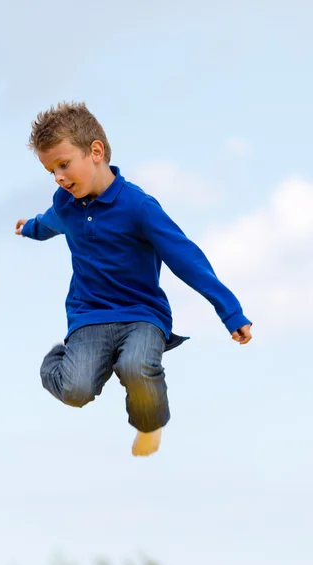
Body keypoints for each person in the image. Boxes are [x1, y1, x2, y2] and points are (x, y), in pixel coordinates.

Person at [15, 101, 252, 457]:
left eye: (64, 165)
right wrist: (29, 229)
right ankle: (62, 359)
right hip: (89, 316)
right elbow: (48, 222)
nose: (59, 177)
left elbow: (186, 258)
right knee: (76, 390)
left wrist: (230, 311)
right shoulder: (65, 205)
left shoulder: (139, 207)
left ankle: (148, 424)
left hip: (142, 315)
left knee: (135, 366)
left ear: (95, 151)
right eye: (51, 171)